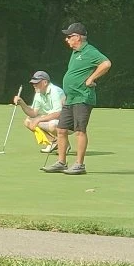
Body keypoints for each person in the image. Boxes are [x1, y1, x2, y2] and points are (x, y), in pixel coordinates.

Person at [42, 22, 111, 175]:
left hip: (82, 97)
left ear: (77, 37)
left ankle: (79, 165)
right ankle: (61, 162)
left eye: (69, 37)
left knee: (80, 130)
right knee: (61, 129)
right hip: (70, 98)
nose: (67, 40)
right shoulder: (75, 53)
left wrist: (91, 78)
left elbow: (106, 63)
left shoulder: (90, 51)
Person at [14, 71, 65, 153]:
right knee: (28, 121)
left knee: (52, 125)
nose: (34, 85)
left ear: (45, 82)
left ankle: (64, 144)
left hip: (67, 121)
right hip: (53, 119)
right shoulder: (39, 93)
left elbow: (58, 114)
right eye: (33, 83)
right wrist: (21, 103)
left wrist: (39, 120)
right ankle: (54, 141)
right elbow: (33, 113)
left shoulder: (55, 91)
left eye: (37, 83)